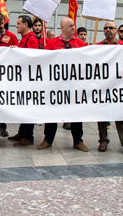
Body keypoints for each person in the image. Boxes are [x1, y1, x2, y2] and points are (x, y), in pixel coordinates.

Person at [38, 17, 89, 152]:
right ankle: (48, 139)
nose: (74, 27)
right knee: (52, 113)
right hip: (55, 86)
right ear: (63, 28)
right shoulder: (51, 43)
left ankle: (78, 141)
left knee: (76, 114)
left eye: (74, 25)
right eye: (71, 25)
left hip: (75, 86)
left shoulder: (80, 43)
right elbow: (43, 61)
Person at [95, 21, 123, 157]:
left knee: (121, 115)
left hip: (119, 87)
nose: (108, 30)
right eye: (106, 28)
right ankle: (103, 141)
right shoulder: (97, 47)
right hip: (102, 87)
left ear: (117, 31)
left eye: (111, 28)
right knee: (102, 115)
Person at [8, 15, 41, 147]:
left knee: (27, 107)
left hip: (29, 80)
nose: (16, 26)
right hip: (24, 79)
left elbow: (33, 58)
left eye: (18, 23)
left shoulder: (31, 38)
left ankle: (28, 136)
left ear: (25, 25)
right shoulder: (25, 38)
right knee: (23, 106)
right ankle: (22, 133)